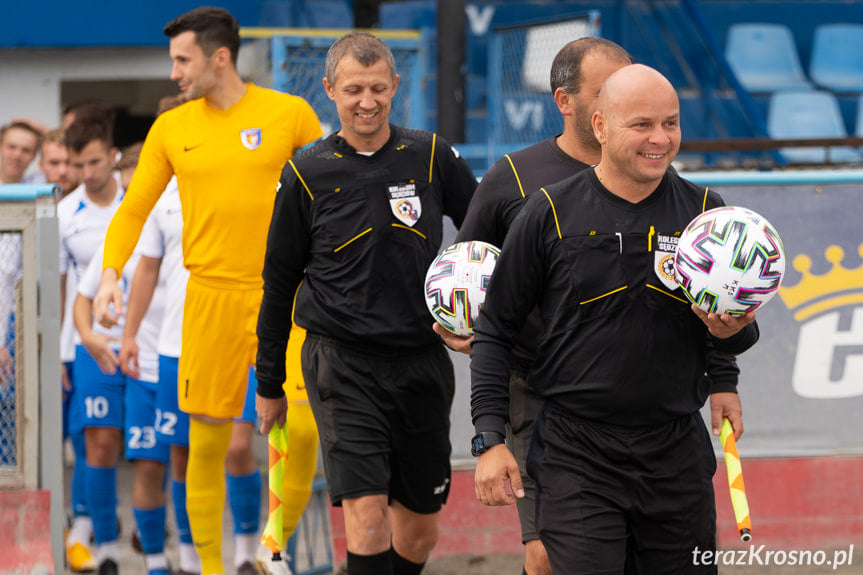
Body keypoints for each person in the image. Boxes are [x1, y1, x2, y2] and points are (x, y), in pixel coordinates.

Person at [436, 38, 747, 575]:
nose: (660, 139)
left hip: (675, 451)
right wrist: (489, 439)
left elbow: (730, 330)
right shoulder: (547, 213)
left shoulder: (705, 212)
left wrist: (728, 343)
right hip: (576, 453)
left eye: (670, 123)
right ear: (601, 127)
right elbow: (494, 331)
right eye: (642, 124)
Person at [91, 8, 322, 575]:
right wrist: (109, 275)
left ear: (220, 57)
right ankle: (213, 568)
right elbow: (133, 208)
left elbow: (334, 197)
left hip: (284, 296)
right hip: (210, 299)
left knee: (304, 428)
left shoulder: (289, 114)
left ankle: (273, 549)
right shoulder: (172, 128)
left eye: (182, 59)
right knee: (207, 441)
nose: (175, 72)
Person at [255, 31, 477, 575]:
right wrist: (268, 384)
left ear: (395, 86)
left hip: (421, 360)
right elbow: (279, 281)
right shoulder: (306, 171)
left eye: (378, 88)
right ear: (330, 89)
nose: (367, 101)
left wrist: (476, 312)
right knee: (366, 515)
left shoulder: (430, 155)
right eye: (353, 89)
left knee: (419, 530)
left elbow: (485, 234)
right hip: (341, 362)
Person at [74, 242, 169, 575]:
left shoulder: (175, 236)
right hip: (105, 354)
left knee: (153, 457)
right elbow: (81, 299)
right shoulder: (117, 241)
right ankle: (107, 551)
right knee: (100, 446)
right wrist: (87, 335)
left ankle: (155, 551)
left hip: (152, 360)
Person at [59, 115, 124, 575]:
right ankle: (99, 543)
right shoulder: (65, 213)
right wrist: (64, 351)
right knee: (94, 444)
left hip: (147, 344)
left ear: (113, 156)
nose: (87, 173)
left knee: (147, 454)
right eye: (78, 164)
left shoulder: (141, 202)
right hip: (85, 345)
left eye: (95, 161)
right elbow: (64, 291)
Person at [36, 127, 80, 196]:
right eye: (54, 163)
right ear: (41, 166)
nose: (62, 171)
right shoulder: (29, 203)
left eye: (69, 162)